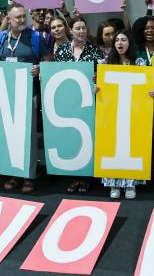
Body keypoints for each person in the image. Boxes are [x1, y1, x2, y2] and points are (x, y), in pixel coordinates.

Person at [0, 4, 51, 193]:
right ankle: (13, 173)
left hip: (29, 92)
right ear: (8, 19)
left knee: (29, 136)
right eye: (17, 17)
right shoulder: (1, 38)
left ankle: (29, 176)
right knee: (10, 135)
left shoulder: (35, 37)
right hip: (8, 93)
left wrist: (40, 68)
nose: (22, 19)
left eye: (23, 16)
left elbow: (48, 60)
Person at [56, 16, 105, 194]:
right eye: (78, 28)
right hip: (67, 101)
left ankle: (86, 177)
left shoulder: (95, 51)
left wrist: (97, 81)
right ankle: (74, 176)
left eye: (84, 28)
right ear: (71, 31)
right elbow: (56, 74)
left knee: (87, 137)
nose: (81, 31)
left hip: (87, 101)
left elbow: (102, 74)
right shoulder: (61, 50)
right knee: (71, 137)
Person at [100, 30, 145, 199]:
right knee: (113, 146)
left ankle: (131, 184)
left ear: (130, 43)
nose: (120, 43)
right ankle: (114, 184)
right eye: (117, 40)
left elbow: (145, 86)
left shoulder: (139, 63)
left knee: (132, 146)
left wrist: (151, 92)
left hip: (133, 111)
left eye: (123, 40)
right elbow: (101, 87)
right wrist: (97, 89)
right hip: (113, 112)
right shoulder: (106, 63)